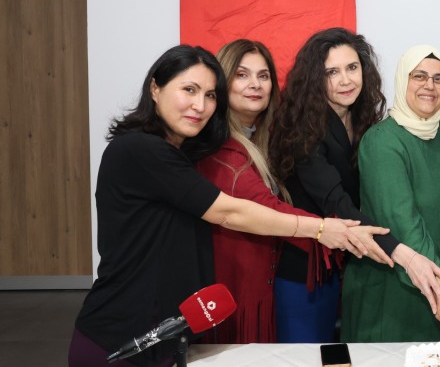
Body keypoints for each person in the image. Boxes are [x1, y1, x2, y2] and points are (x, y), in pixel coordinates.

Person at [68, 45, 382, 367]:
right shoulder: (141, 150)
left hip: (166, 336)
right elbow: (230, 212)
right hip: (121, 338)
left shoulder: (184, 152)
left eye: (209, 95)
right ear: (155, 88)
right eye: (189, 90)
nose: (200, 105)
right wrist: (320, 228)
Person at [195, 39, 391, 343]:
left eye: (263, 76)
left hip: (283, 274)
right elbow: (269, 209)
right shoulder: (223, 152)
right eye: (242, 75)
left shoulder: (265, 136)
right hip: (244, 284)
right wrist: (325, 228)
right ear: (221, 83)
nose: (255, 84)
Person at [268, 28, 440, 342]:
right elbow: (339, 205)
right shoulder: (302, 129)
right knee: (308, 360)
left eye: (352, 68)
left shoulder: (364, 120)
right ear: (314, 78)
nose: (345, 80)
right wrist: (405, 255)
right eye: (332, 72)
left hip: (350, 267)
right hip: (306, 274)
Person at [342, 45, 440, 342]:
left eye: (439, 79)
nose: (429, 86)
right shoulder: (381, 140)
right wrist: (438, 290)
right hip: (397, 280)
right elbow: (402, 222)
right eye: (419, 76)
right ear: (402, 80)